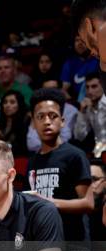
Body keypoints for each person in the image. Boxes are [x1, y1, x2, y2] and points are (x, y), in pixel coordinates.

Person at [27, 88, 94, 242]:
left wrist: (47, 202)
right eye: (40, 117)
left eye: (53, 116)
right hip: (45, 242)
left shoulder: (74, 155)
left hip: (74, 242)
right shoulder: (32, 161)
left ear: (62, 121)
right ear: (33, 122)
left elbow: (88, 203)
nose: (47, 122)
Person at [74, 72, 106, 157]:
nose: (90, 91)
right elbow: (79, 136)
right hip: (99, 152)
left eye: (94, 86)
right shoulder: (87, 107)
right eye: (87, 87)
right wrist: (82, 112)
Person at [61, 35, 100, 102]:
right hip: (79, 103)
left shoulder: (98, 60)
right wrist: (76, 105)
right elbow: (64, 90)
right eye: (77, 40)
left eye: (83, 40)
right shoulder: (69, 63)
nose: (79, 43)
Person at [0, 90, 30, 157]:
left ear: (19, 104)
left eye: (12, 102)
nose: (7, 105)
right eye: (5, 102)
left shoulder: (26, 122)